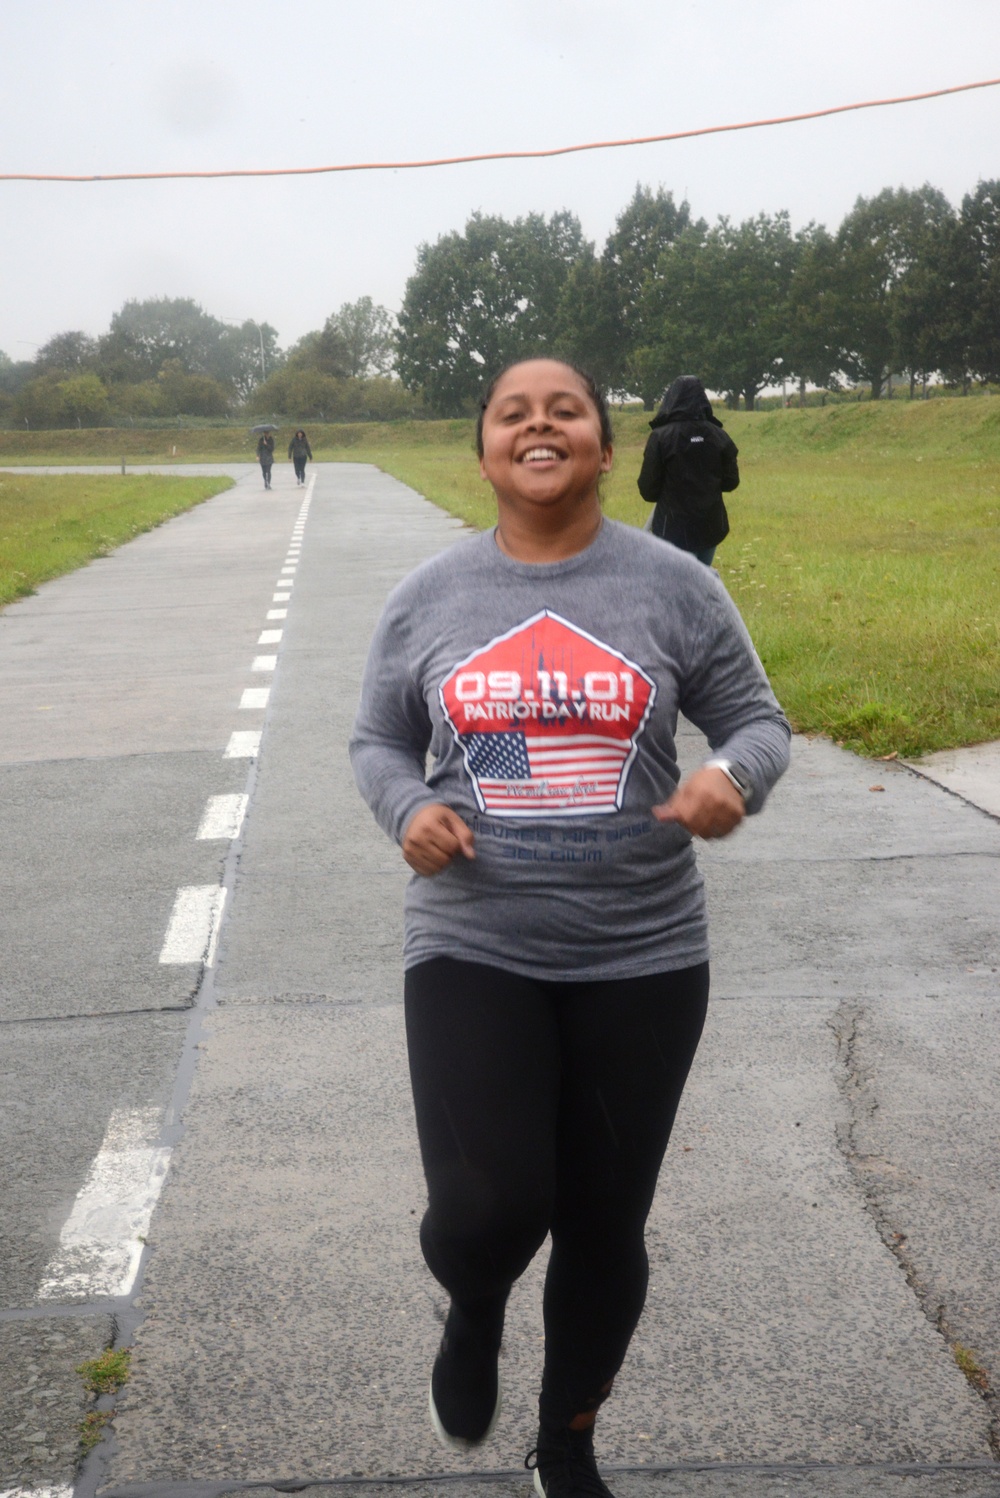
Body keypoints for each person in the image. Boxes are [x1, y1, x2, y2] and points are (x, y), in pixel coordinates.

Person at [350, 358, 789, 1498]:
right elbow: (379, 740)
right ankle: (474, 1304)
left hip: (643, 951)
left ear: (603, 446)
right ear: (485, 449)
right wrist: (407, 809)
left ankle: (569, 1440)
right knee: (488, 1206)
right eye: (513, 413)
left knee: (603, 1219)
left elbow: (756, 721)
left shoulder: (673, 586)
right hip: (473, 939)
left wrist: (731, 778)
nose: (538, 425)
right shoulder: (431, 596)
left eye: (566, 411)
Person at [637, 375, 740, 567]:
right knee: (702, 576)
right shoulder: (719, 435)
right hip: (710, 526)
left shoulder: (660, 437)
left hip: (673, 528)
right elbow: (731, 482)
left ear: (671, 398)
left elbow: (648, 490)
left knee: (677, 580)